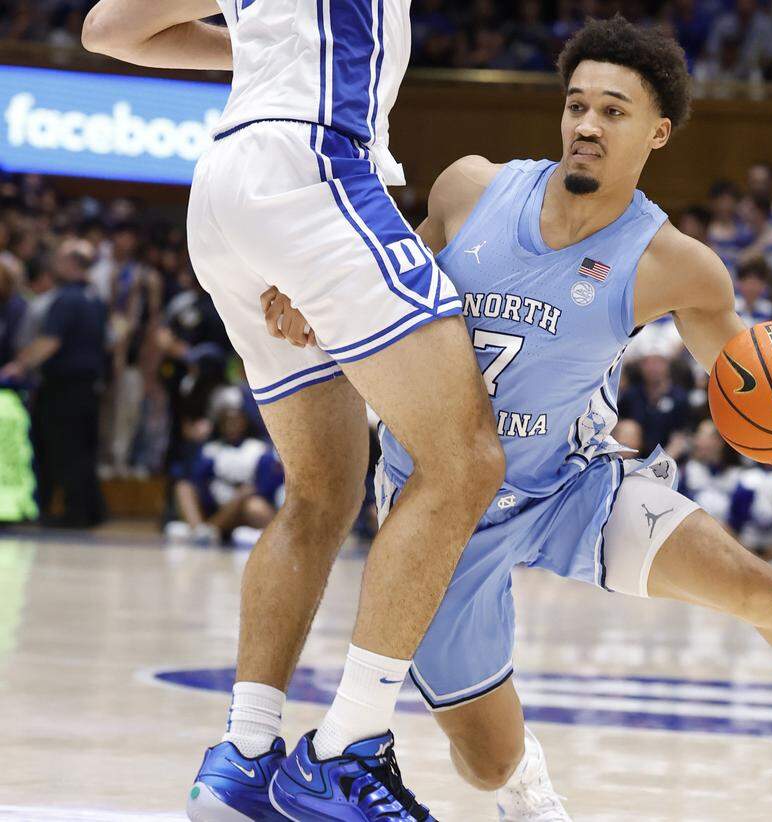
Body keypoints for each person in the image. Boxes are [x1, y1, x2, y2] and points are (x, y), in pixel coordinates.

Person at [271, 19, 772, 816]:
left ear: (658, 131)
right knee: (485, 763)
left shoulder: (676, 264)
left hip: (573, 485)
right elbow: (381, 289)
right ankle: (524, 777)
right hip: (437, 505)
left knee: (757, 585)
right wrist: (313, 303)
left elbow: (757, 381)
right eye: (576, 106)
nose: (588, 126)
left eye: (613, 111)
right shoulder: (471, 188)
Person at [83, 2, 505, 819]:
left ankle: (244, 755)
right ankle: (346, 751)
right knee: (466, 462)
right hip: (318, 161)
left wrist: (252, 46)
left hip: (227, 185)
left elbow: (109, 30)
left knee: (320, 492)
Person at [0, 240, 107, 527]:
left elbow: (50, 341)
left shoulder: (66, 298)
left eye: (59, 259)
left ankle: (73, 513)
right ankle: (91, 511)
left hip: (64, 387)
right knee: (85, 449)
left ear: (72, 263)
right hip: (90, 386)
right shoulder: (95, 298)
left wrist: (19, 366)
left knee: (64, 448)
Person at [166, 406, 283, 547]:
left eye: (235, 421)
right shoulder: (211, 450)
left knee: (253, 505)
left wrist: (244, 494)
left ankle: (207, 530)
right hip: (216, 503)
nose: (231, 426)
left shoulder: (259, 449)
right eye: (226, 422)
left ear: (245, 422)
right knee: (183, 487)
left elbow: (266, 485)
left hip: (244, 506)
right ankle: (200, 530)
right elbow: (197, 480)